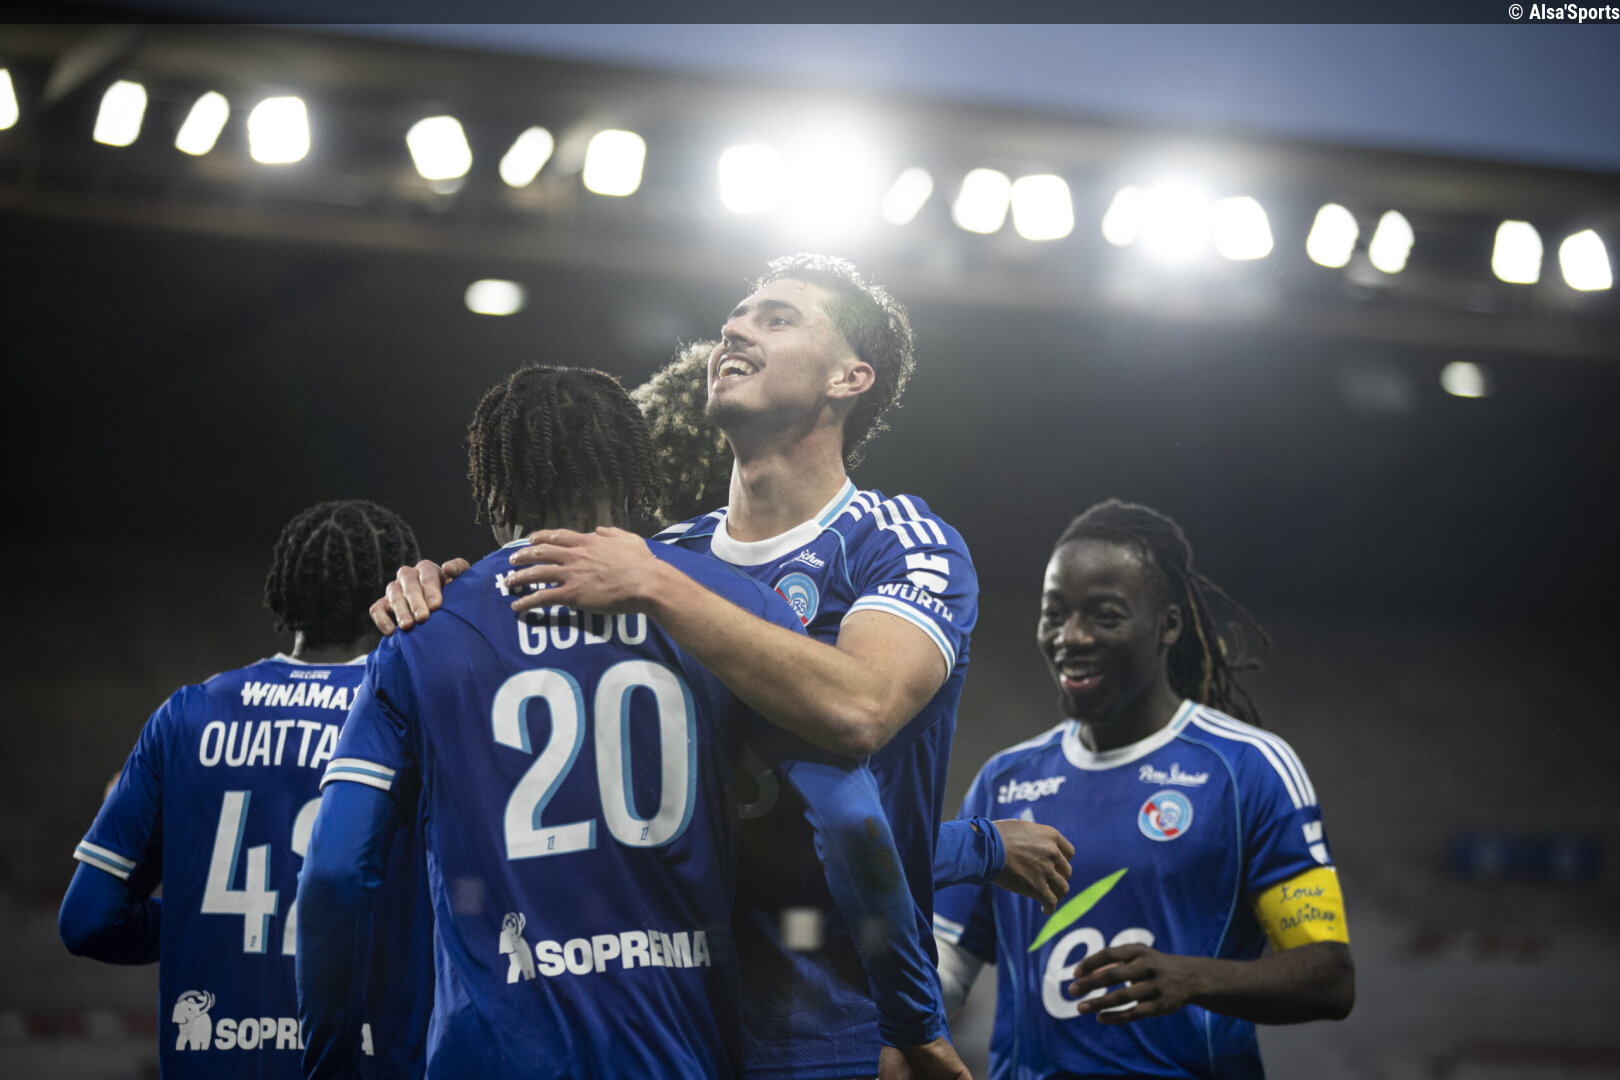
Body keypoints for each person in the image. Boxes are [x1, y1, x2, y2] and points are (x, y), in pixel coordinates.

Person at [483, 254, 1072, 1080]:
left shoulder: (900, 545)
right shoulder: (659, 559)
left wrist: (660, 588)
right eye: (736, 315)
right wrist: (437, 587)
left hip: (827, 1037)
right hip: (665, 1028)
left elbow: (860, 711)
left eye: (778, 318)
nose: (735, 328)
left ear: (848, 378)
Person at [297, 366, 962, 1079]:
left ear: (492, 492)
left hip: (489, 1056)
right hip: (675, 1054)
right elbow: (851, 823)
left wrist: (330, 1065)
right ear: (630, 478)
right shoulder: (730, 610)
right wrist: (912, 1019)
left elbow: (335, 874)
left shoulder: (425, 629)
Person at [931, 500, 1356, 1080]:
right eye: (1054, 613)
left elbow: (1329, 976)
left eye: (1104, 615)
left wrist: (1194, 977)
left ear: (1169, 624)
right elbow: (950, 962)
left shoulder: (1248, 769)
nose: (1071, 636)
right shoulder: (1005, 781)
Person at [59, 500, 430, 1079]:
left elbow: (87, 919)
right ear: (393, 592)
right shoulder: (402, 710)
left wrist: (200, 923)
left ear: (286, 589)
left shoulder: (186, 715)